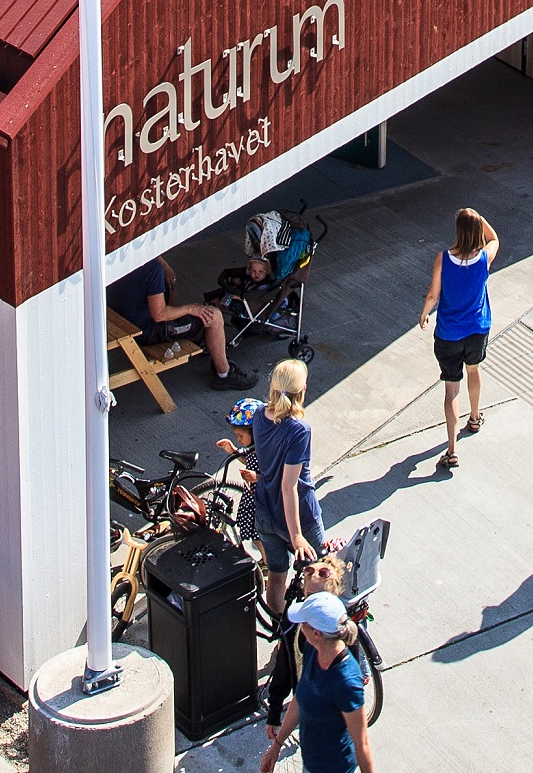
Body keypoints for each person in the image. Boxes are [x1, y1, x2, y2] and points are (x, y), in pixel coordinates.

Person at [419, 207, 500, 472]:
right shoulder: (483, 259)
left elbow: (433, 294)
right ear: (477, 231)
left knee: (451, 388)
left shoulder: (443, 259)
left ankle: (452, 450)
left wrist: (424, 313)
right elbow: (495, 238)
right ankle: (475, 417)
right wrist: (480, 219)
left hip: (449, 334)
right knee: (474, 370)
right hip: (477, 329)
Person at [260, 589, 375, 773]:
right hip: (311, 764)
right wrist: (276, 745)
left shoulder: (346, 682)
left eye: (304, 623)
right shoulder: (313, 650)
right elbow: (300, 698)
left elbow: (362, 744)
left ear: (316, 634)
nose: (300, 627)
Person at [113, 249, 253, 391]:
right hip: (145, 331)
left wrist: (165, 266)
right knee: (214, 316)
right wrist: (191, 309)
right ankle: (224, 374)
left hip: (120, 320)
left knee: (170, 284)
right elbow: (159, 315)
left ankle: (188, 332)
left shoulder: (117, 258)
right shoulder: (152, 269)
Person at [249, 358, 326, 608]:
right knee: (321, 577)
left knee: (276, 578)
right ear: (302, 390)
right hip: (299, 517)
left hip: (265, 512)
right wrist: (297, 537)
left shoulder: (260, 414)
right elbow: (289, 486)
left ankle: (280, 631)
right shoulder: (299, 430)